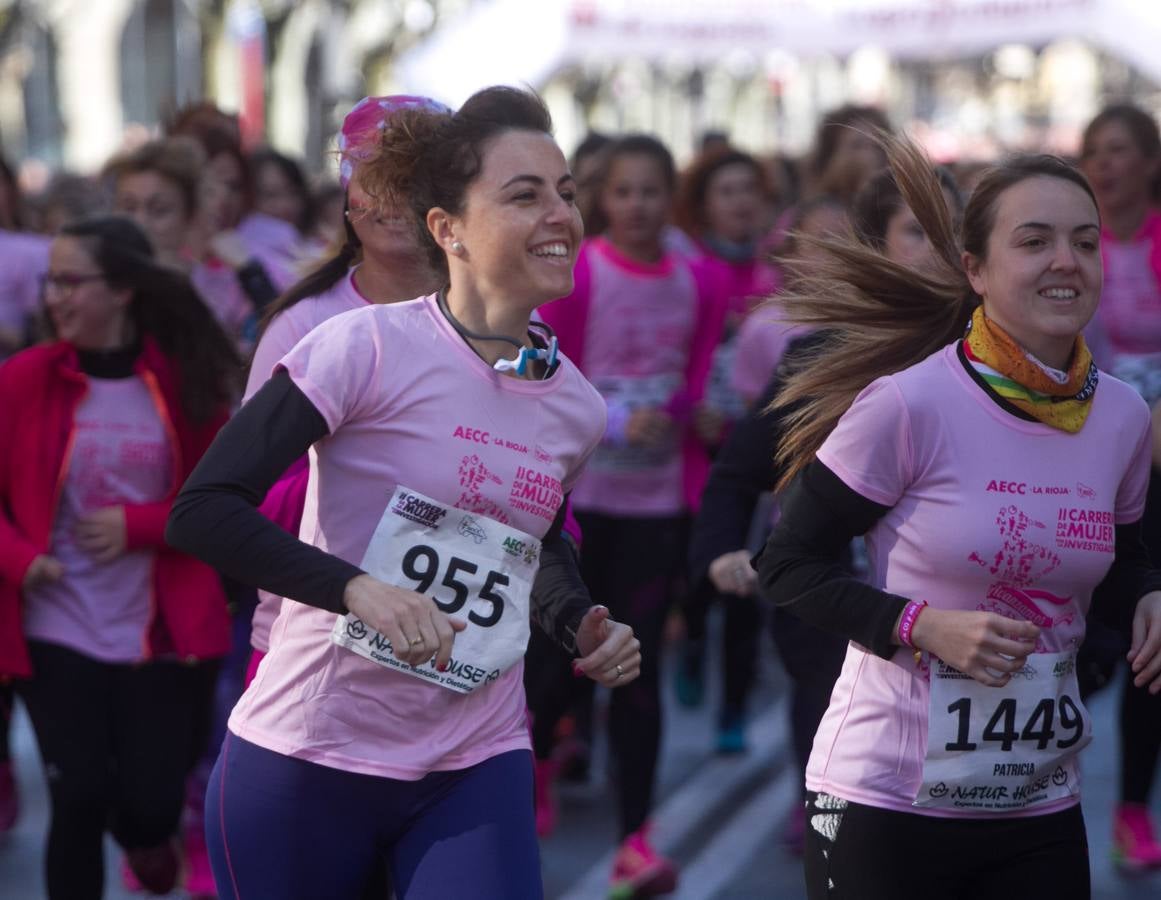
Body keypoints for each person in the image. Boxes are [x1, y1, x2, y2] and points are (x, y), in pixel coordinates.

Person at [166, 86, 640, 900]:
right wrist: (357, 591)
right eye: (523, 195)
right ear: (446, 229)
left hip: (473, 754)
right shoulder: (358, 348)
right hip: (311, 752)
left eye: (565, 192)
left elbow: (534, 540)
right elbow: (204, 509)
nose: (560, 214)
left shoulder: (576, 406)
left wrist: (575, 619)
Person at [756, 136, 1161, 899]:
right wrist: (919, 626)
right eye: (1033, 242)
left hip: (1037, 801)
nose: (1065, 261)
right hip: (883, 800)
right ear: (974, 269)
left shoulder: (1120, 417)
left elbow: (1121, 562)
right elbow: (785, 565)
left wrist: (1146, 597)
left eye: (1084, 241)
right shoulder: (907, 404)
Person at [691, 165, 963, 853]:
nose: (937, 248)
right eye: (916, 231)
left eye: (954, 232)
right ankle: (818, 807)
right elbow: (735, 471)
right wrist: (724, 549)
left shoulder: (1003, 363)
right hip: (831, 605)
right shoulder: (822, 357)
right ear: (876, 247)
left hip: (957, 622)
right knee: (845, 805)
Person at [0, 215, 237, 899]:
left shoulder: (184, 383)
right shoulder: (22, 380)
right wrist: (21, 560)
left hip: (160, 632)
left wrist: (141, 524)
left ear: (125, 289)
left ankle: (147, 841)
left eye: (72, 282)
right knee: (77, 798)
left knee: (149, 804)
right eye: (51, 282)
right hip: (56, 625)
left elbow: (222, 499)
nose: (54, 298)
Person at [535, 133, 726, 897]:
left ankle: (634, 841)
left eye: (652, 190)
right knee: (554, 669)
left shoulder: (697, 279)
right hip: (574, 510)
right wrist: (612, 421)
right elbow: (550, 372)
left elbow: (700, 376)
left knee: (636, 675)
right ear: (597, 200)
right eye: (623, 191)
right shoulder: (579, 274)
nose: (638, 205)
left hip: (655, 509)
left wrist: (680, 415)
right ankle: (540, 764)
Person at [242, 94, 451, 688]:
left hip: (460, 656)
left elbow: (544, 491)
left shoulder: (505, 327)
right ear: (346, 193)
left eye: (410, 178)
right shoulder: (304, 324)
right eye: (372, 176)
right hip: (313, 650)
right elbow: (247, 495)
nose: (390, 197)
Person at [1076, 101, 1161, 870]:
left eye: (1121, 149)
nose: (1107, 163)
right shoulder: (1074, 246)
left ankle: (1132, 808)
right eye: (1094, 150)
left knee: (1149, 621)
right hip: (1081, 453)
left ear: (1149, 161)